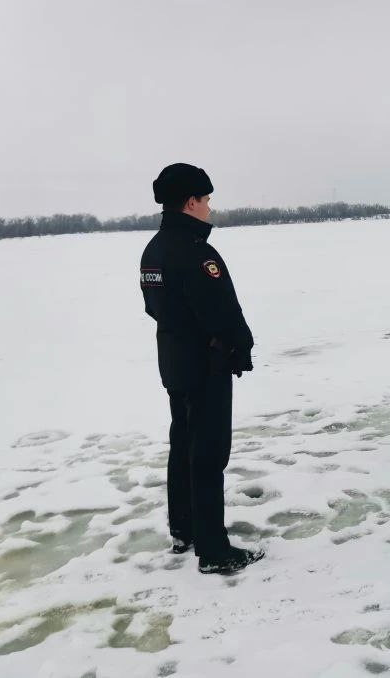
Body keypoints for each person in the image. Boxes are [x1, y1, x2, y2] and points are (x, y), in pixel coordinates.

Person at [139, 163, 264, 575]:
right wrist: (239, 345)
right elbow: (221, 310)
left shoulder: (154, 249)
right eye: (207, 199)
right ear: (190, 201)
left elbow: (153, 307)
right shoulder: (195, 251)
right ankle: (213, 549)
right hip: (205, 363)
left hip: (174, 362)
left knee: (184, 444)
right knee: (209, 454)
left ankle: (185, 529)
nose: (210, 207)